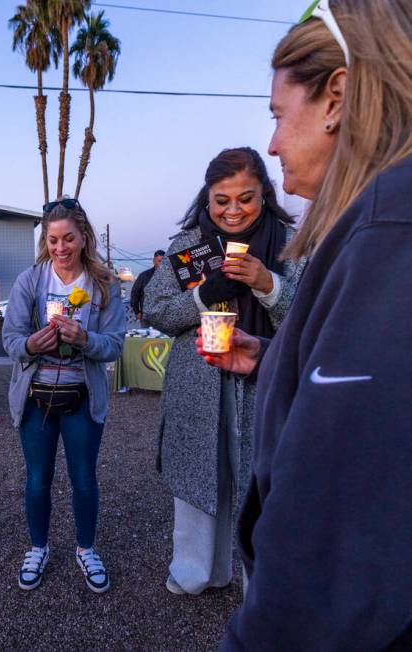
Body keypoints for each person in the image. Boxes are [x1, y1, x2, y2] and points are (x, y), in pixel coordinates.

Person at [200, 2, 412, 648]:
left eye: (276, 114)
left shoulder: (384, 233)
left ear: (336, 98)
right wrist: (273, 359)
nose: (271, 142)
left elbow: (324, 554)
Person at [144, 147, 304, 595]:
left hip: (264, 385)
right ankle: (199, 573)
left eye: (246, 198)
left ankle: (265, 587)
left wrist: (268, 284)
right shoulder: (187, 246)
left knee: (262, 487)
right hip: (198, 384)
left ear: (265, 195)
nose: (233, 210)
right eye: (222, 200)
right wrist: (201, 297)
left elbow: (312, 320)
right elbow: (154, 309)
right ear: (207, 199)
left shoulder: (292, 243)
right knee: (198, 481)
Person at [2, 198, 125, 593]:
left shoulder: (103, 285)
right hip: (37, 394)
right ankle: (38, 547)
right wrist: (33, 344)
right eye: (52, 240)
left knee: (84, 478)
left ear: (84, 236)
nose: (60, 248)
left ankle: (86, 549)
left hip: (82, 395)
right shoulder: (30, 282)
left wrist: (86, 339)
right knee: (37, 478)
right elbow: (11, 340)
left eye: (68, 238)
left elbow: (115, 345)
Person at [129, 249, 165, 327]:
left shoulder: (170, 276)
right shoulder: (144, 276)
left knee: (163, 338)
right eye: (159, 261)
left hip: (164, 316)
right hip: (146, 316)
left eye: (163, 261)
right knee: (147, 338)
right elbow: (135, 294)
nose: (161, 264)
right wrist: (137, 311)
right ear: (154, 261)